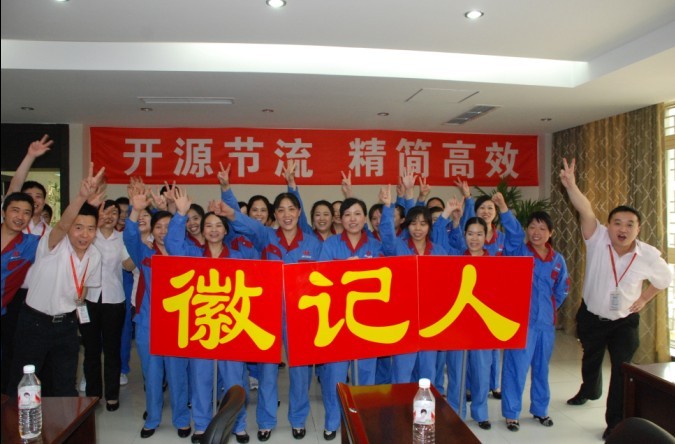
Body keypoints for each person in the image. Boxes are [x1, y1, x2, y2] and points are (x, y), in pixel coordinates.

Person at [559, 158, 672, 440]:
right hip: (592, 315)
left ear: (638, 229)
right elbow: (585, 210)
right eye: (617, 223)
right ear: (608, 226)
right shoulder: (597, 239)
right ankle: (589, 389)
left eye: (630, 224)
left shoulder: (648, 255)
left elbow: (664, 279)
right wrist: (571, 186)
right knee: (590, 358)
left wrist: (644, 298)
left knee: (622, 372)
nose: (623, 229)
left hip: (624, 321)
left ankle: (615, 422)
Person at [221, 161, 322, 442]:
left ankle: (298, 419)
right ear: (274, 215)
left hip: (301, 315)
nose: (287, 215)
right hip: (269, 312)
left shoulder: (312, 243)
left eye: (292, 209)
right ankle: (265, 420)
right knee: (267, 370)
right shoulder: (265, 236)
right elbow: (241, 220)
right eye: (281, 210)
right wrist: (227, 191)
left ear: (299, 212)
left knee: (300, 371)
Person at [6, 164, 106, 397]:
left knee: (65, 385)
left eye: (90, 229)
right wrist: (82, 197)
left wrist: (77, 307)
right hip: (35, 323)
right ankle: (14, 421)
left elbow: (84, 288)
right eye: (78, 227)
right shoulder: (53, 244)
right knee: (23, 383)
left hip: (66, 325)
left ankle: (62, 421)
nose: (84, 234)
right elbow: (62, 224)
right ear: (69, 229)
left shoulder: (95, 255)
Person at [165, 187, 249, 444]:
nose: (213, 230)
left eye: (218, 226)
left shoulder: (238, 257)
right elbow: (172, 245)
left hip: (230, 326)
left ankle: (238, 425)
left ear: (225, 231)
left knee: (234, 379)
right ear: (202, 231)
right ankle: (201, 424)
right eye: (208, 226)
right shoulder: (192, 255)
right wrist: (180, 214)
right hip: (201, 325)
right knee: (201, 378)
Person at [496, 193, 569, 432]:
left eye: (542, 228)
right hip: (521, 323)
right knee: (515, 369)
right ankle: (511, 413)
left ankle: (540, 409)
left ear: (551, 233)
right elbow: (512, 233)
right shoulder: (518, 251)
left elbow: (561, 290)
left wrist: (549, 310)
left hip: (545, 325)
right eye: (532, 227)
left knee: (541, 368)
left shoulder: (558, 260)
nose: (536, 232)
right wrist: (504, 208)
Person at [124, 183, 191, 439]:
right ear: (152, 230)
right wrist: (135, 210)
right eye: (158, 227)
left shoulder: (183, 253)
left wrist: (180, 213)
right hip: (148, 323)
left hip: (177, 323)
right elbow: (130, 236)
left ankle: (181, 419)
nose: (163, 231)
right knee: (152, 374)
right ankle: (152, 418)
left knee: (177, 374)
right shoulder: (144, 252)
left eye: (168, 226)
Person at [318, 196, 383, 440]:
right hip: (337, 320)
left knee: (366, 373)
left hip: (368, 320)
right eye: (347, 215)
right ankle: (332, 421)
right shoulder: (331, 244)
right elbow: (320, 278)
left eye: (357, 214)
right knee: (335, 375)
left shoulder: (376, 246)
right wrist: (343, 270)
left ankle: (363, 419)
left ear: (365, 218)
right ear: (341, 219)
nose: (352, 219)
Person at [79, 200, 135, 411]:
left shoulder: (121, 239)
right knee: (91, 350)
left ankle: (112, 395)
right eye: (106, 212)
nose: (110, 217)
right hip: (88, 299)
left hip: (114, 300)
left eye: (115, 213)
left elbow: (128, 265)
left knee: (112, 350)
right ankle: (93, 395)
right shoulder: (89, 237)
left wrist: (139, 247)